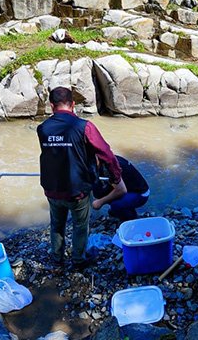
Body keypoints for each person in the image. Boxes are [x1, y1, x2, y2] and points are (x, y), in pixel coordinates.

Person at [37, 87, 123, 269]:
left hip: (52, 189)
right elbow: (106, 153)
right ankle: (78, 260)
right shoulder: (84, 127)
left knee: (56, 225)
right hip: (77, 190)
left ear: (52, 106)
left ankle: (57, 261)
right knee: (80, 226)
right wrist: (116, 177)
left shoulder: (42, 128)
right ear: (73, 104)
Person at [92, 155, 149, 222]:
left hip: (140, 193)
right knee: (98, 190)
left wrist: (100, 202)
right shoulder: (104, 157)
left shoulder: (109, 166)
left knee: (116, 205)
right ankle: (120, 209)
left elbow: (121, 190)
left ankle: (131, 220)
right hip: (127, 187)